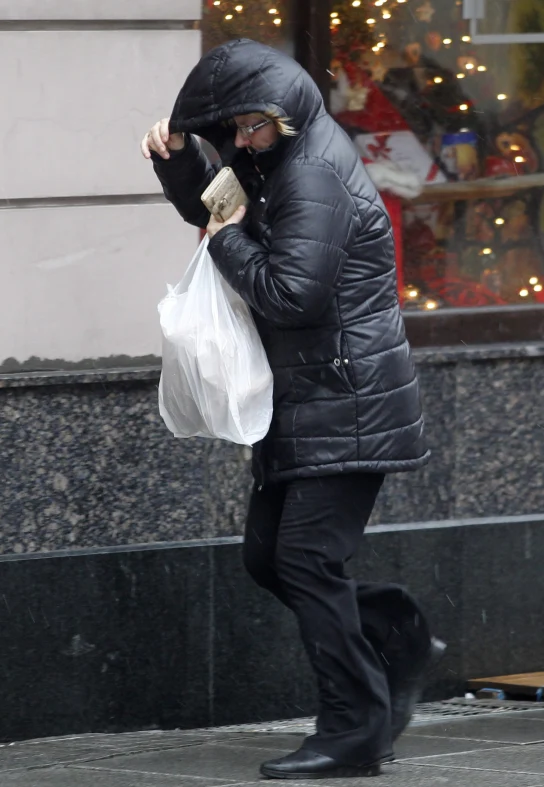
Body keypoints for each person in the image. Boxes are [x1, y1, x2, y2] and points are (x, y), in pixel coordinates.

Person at [141, 39, 444, 777]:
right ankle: (390, 632)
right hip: (311, 395)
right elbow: (222, 213)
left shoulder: (312, 173)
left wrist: (225, 243)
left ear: (286, 112)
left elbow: (288, 290)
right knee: (269, 557)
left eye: (252, 127)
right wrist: (183, 161)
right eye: (233, 130)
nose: (243, 142)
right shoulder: (273, 158)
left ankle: (353, 728)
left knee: (305, 558)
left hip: (349, 397)